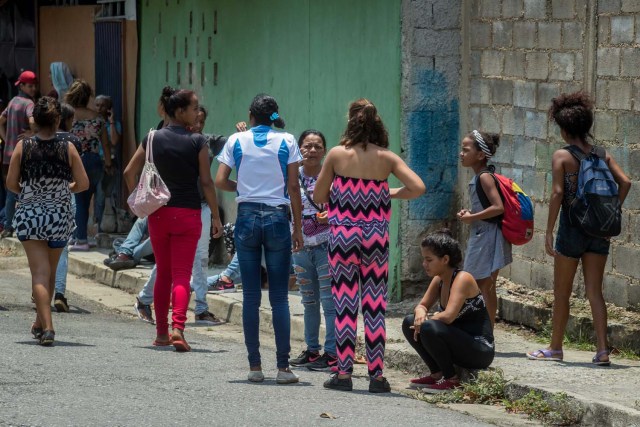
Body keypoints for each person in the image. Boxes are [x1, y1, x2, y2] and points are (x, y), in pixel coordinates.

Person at [313, 98, 425, 393]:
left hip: (343, 237)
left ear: (350, 121)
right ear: (377, 123)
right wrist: (386, 192)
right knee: (374, 307)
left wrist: (342, 193)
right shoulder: (386, 158)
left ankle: (343, 375)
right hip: (376, 238)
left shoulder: (337, 154)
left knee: (345, 306)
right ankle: (377, 377)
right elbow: (418, 187)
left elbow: (319, 195)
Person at [527, 92, 631, 365]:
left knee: (562, 292)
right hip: (599, 230)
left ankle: (555, 348)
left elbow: (558, 193)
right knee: (595, 292)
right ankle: (602, 351)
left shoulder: (562, 156)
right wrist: (611, 213)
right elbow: (626, 182)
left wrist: (548, 231)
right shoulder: (602, 154)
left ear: (563, 129)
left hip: (572, 229)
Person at [124, 86, 223, 352]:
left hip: (159, 214)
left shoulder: (152, 137)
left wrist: (139, 199)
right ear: (180, 111)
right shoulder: (198, 142)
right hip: (189, 214)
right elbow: (206, 181)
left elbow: (129, 172)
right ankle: (179, 328)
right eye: (193, 108)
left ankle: (161, 334)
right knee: (182, 275)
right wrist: (215, 215)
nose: (196, 113)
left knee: (164, 274)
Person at [215, 93, 303, 384]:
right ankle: (283, 368)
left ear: (250, 116)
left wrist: (244, 188)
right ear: (274, 117)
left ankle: (255, 367)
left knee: (251, 297)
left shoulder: (235, 140)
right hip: (278, 217)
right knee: (279, 297)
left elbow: (219, 180)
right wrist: (298, 228)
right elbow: (293, 186)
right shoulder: (288, 140)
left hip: (247, 217)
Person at [6, 96, 89, 346]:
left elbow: (11, 184)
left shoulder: (24, 146)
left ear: (35, 121)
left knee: (39, 274)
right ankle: (42, 323)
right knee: (50, 273)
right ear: (56, 120)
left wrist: (31, 194)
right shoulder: (68, 148)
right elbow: (83, 183)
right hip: (59, 216)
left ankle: (47, 326)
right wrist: (62, 191)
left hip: (30, 216)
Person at [402, 230, 495, 390]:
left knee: (428, 326)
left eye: (429, 260)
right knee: (409, 322)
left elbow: (449, 317)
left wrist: (426, 318)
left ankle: (451, 380)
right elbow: (422, 305)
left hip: (479, 350)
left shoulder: (462, 278)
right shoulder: (439, 280)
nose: (424, 264)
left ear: (445, 259)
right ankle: (436, 373)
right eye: (424, 259)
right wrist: (420, 312)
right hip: (458, 343)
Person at [288, 129, 337, 371]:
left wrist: (334, 214)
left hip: (327, 246)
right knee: (308, 302)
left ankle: (331, 353)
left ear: (325, 151)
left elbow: (345, 204)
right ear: (299, 149)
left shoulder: (332, 175)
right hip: (299, 246)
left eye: (318, 146)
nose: (313, 150)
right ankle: (311, 350)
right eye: (307, 146)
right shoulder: (292, 175)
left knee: (329, 303)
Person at [456, 130, 512, 326]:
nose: (461, 154)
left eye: (465, 150)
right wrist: (470, 213)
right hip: (484, 234)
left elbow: (498, 208)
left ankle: (486, 333)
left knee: (484, 286)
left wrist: (472, 217)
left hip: (488, 236)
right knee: (485, 286)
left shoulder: (484, 177)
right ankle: (486, 331)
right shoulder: (481, 177)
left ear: (480, 155)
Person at [66, 80, 113, 251]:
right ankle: (79, 236)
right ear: (87, 97)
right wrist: (108, 164)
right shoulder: (97, 118)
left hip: (75, 161)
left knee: (78, 201)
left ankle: (81, 240)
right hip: (94, 162)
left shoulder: (67, 117)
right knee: (86, 201)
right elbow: (106, 144)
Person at [0, 71, 38, 238]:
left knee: (11, 190)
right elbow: (33, 122)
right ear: (21, 86)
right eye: (30, 86)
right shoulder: (29, 104)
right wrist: (33, 133)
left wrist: (6, 138)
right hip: (24, 153)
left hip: (8, 154)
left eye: (34, 86)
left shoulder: (13, 102)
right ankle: (28, 226)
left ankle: (8, 227)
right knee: (28, 189)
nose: (33, 89)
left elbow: (0, 121)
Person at [52, 102, 82, 313]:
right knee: (62, 248)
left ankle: (40, 288)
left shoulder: (39, 141)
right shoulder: (73, 141)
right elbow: (77, 173)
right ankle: (60, 293)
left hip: (41, 198)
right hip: (66, 194)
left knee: (42, 249)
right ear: (67, 120)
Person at [94, 95, 122, 232]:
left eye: (102, 106)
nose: (99, 109)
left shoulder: (115, 125)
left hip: (110, 163)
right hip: (96, 162)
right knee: (98, 196)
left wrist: (110, 122)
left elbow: (115, 141)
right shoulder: (92, 123)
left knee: (109, 195)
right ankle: (98, 227)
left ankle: (111, 225)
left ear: (109, 108)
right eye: (97, 105)